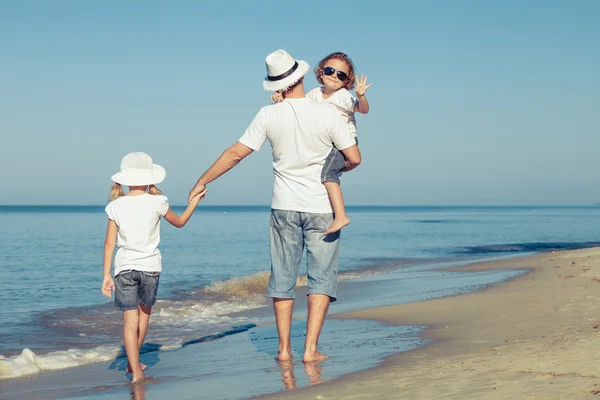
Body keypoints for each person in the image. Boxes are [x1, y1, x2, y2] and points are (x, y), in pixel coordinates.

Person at [188, 49, 361, 363]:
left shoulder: (268, 114)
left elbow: (235, 153)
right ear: (306, 76)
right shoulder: (329, 113)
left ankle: (283, 350)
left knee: (283, 277)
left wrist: (203, 180)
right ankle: (309, 351)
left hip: (283, 206)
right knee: (321, 278)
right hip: (322, 206)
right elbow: (353, 157)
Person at [102, 152, 206, 382]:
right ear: (150, 178)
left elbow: (110, 243)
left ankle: (134, 370)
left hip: (124, 269)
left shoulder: (116, 206)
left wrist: (106, 275)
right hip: (150, 267)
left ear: (125, 178)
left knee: (129, 323)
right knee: (143, 318)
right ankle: (133, 364)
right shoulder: (158, 201)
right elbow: (180, 222)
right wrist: (195, 202)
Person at [272, 51, 371, 234]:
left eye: (340, 74)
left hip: (344, 142)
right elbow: (298, 107)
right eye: (330, 71)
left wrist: (361, 96)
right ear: (320, 73)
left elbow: (362, 110)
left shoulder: (343, 96)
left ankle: (341, 216)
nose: (334, 76)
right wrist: (281, 99)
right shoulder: (314, 94)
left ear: (346, 81)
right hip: (325, 141)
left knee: (328, 174)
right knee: (321, 170)